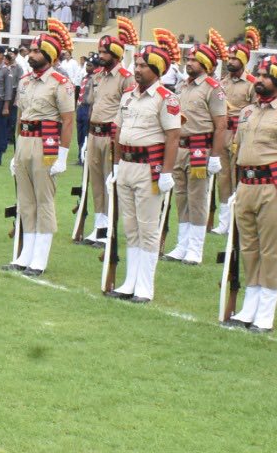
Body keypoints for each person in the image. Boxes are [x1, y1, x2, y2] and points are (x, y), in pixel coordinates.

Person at [225, 55, 277, 332]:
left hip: (272, 187)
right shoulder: (248, 112)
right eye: (258, 74)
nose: (258, 80)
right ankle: (250, 305)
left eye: (265, 76)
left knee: (270, 250)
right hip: (246, 185)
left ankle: (266, 312)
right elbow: (239, 151)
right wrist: (236, 188)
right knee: (248, 247)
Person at [107, 44, 181, 302]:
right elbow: (118, 130)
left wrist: (167, 173)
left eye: (143, 66)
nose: (137, 70)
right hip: (127, 164)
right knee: (130, 226)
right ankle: (130, 281)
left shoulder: (166, 98)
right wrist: (116, 165)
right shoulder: (128, 95)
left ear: (157, 70)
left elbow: (173, 136)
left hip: (149, 167)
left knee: (147, 227)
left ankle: (145, 287)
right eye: (136, 65)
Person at [6, 26, 76, 276]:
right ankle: (26, 254)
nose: (31, 54)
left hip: (46, 142)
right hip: (25, 140)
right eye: (31, 50)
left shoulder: (61, 83)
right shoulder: (25, 81)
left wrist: (63, 155)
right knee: (25, 201)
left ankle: (40, 258)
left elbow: (68, 120)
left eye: (37, 51)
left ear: (49, 54)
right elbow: (20, 116)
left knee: (43, 200)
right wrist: (16, 152)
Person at [163, 41, 227, 265]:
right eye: (188, 59)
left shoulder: (213, 88)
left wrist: (215, 156)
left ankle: (195, 248)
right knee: (181, 197)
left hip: (200, 148)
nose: (188, 63)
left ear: (206, 64)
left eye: (194, 60)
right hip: (180, 147)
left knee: (197, 199)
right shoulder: (182, 86)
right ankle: (182, 244)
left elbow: (221, 125)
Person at [82, 24, 136, 246]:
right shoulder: (98, 76)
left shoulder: (126, 78)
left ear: (116, 54)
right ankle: (99, 226)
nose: (101, 56)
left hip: (112, 135)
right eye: (100, 52)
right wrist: (86, 138)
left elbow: (129, 110)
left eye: (105, 52)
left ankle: (110, 228)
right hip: (94, 133)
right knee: (96, 182)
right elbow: (92, 105)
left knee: (110, 182)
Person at [213, 34, 257, 234]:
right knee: (223, 177)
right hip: (223, 133)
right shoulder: (222, 83)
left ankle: (238, 220)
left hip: (241, 135)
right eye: (229, 58)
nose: (230, 61)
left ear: (244, 60)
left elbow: (256, 111)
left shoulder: (252, 84)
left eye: (234, 58)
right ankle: (224, 222)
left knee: (238, 176)